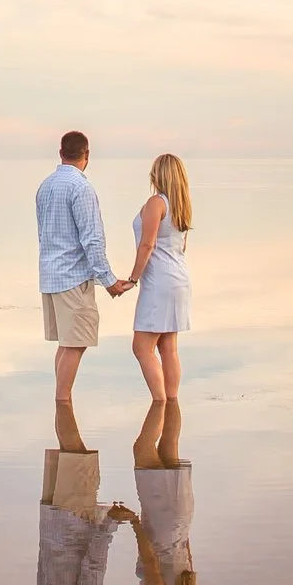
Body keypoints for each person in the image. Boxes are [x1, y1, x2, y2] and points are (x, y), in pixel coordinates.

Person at [38, 130, 126, 403]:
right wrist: (109, 280)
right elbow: (92, 238)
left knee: (68, 344)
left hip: (51, 275)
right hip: (73, 277)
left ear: (61, 153)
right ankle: (62, 402)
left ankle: (61, 402)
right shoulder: (81, 188)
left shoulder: (46, 185)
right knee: (76, 343)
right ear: (86, 154)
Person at [38, 402, 122, 585]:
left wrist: (110, 523)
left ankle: (63, 395)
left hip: (75, 518)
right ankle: (61, 396)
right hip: (51, 517)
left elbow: (93, 566)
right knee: (67, 446)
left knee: (76, 450)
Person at [121, 153, 193, 400]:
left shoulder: (156, 203)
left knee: (141, 348)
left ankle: (160, 402)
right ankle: (171, 403)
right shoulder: (181, 206)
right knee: (168, 347)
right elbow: (181, 247)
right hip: (179, 279)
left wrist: (132, 279)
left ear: (158, 175)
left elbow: (147, 245)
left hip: (159, 282)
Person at [124, 395, 195, 585]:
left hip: (182, 518)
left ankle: (170, 394)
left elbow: (186, 547)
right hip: (161, 522)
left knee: (169, 445)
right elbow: (149, 558)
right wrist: (134, 521)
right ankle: (160, 399)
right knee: (142, 448)